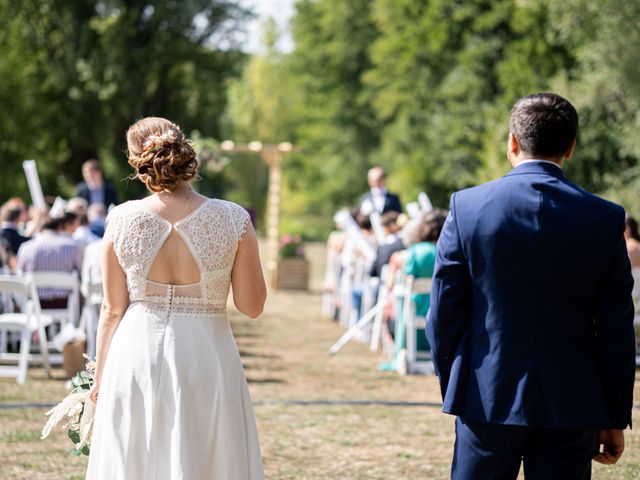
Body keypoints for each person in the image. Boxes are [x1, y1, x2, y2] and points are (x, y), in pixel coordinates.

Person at [426, 93, 635, 479]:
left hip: (485, 394)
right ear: (571, 147)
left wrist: (455, 381)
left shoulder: (466, 207)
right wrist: (614, 413)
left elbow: (443, 312)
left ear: (512, 142)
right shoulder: (606, 219)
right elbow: (615, 326)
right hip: (573, 401)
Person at [86, 117, 266, 479]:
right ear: (185, 152)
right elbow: (252, 305)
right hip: (205, 353)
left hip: (135, 353)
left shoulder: (120, 219)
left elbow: (112, 310)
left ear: (137, 161)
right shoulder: (233, 218)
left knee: (135, 456)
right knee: (206, 454)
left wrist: (100, 379)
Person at [16, 212, 83, 309]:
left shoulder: (26, 248)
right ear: (60, 228)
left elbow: (20, 274)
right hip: (66, 304)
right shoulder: (73, 247)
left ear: (40, 229)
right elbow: (81, 272)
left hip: (35, 303)